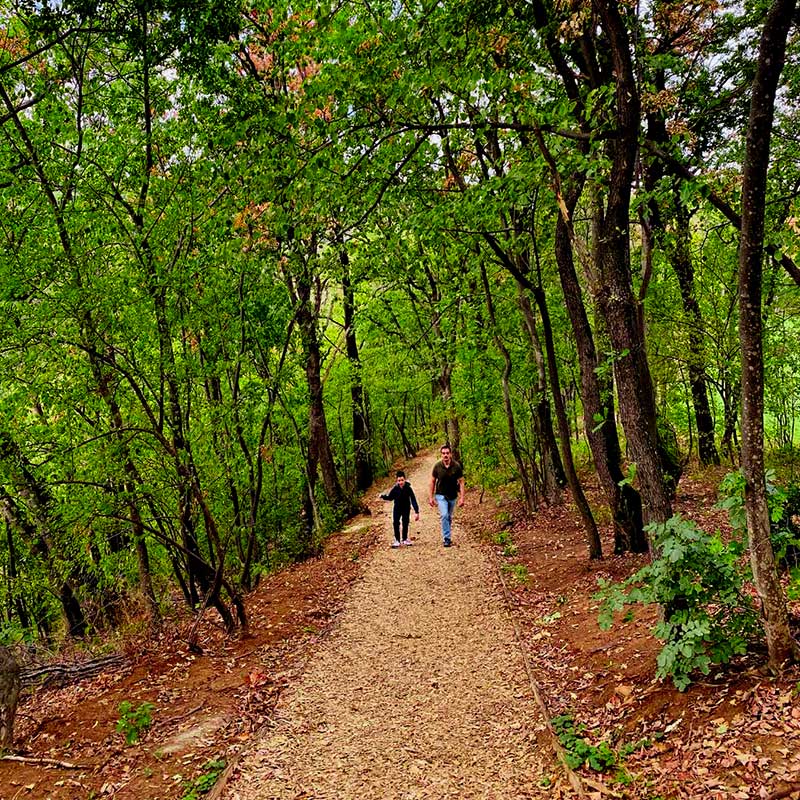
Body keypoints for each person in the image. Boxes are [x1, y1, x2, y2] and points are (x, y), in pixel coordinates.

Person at [429, 444, 464, 547]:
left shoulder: (456, 466)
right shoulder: (437, 466)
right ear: (441, 454)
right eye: (443, 453)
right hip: (441, 495)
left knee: (448, 516)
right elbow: (432, 481)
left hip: (452, 495)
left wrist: (462, 498)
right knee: (444, 515)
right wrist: (431, 497)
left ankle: (447, 531)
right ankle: (447, 538)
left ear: (450, 454)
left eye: (447, 453)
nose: (445, 455)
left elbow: (461, 482)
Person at [379, 470, 420, 548]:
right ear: (397, 481)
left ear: (405, 479)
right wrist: (383, 496)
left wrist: (416, 511)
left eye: (402, 480)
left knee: (405, 522)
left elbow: (413, 499)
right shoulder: (395, 489)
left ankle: (405, 539)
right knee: (395, 523)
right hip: (397, 508)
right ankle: (397, 540)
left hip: (406, 508)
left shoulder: (408, 488)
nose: (400, 482)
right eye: (399, 481)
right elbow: (390, 497)